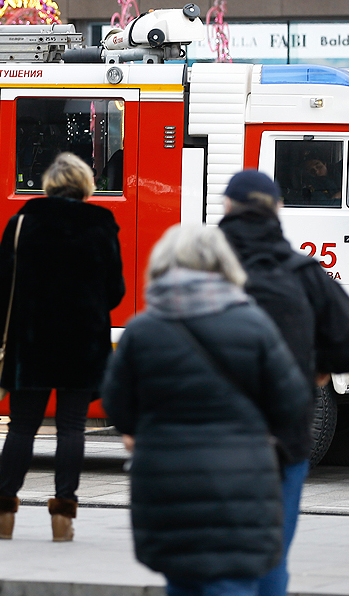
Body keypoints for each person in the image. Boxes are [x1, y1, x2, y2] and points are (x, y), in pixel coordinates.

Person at [100, 224, 309, 596]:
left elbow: (116, 405)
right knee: (232, 582)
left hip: (165, 482)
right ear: (223, 265)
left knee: (181, 581)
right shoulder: (254, 324)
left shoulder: (143, 330)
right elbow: (292, 401)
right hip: (242, 479)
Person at [218, 170, 349, 596]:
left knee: (209, 560)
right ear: (277, 211)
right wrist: (318, 366)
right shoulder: (302, 272)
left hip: (206, 441)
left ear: (227, 208)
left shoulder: (197, 265)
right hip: (281, 441)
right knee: (270, 559)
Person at [0, 152, 124, 542]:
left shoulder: (24, 221)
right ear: (85, 185)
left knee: (22, 426)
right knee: (72, 427)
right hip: (83, 343)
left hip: (31, 342)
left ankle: (4, 513)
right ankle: (63, 518)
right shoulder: (102, 223)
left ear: (50, 183)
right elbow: (116, 291)